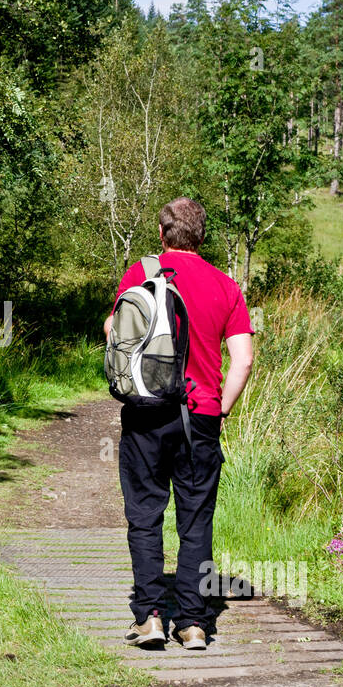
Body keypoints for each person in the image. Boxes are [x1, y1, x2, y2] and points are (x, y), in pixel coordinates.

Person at [102, 197, 254, 649]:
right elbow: (243, 361)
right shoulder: (226, 287)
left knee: (145, 515)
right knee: (195, 520)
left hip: (146, 413)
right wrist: (221, 406)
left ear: (163, 234)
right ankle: (192, 624)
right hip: (200, 417)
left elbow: (113, 330)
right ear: (202, 237)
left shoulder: (141, 274)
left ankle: (148, 617)